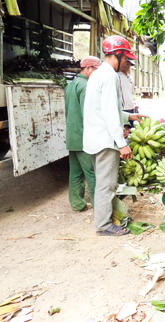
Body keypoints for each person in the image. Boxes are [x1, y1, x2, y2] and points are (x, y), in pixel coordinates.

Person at [83, 35, 148, 236]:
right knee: (106, 185)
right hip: (105, 140)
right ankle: (103, 226)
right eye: (126, 58)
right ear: (116, 55)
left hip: (95, 138)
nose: (127, 63)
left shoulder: (97, 74)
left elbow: (105, 109)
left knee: (101, 183)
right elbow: (110, 115)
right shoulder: (110, 76)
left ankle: (104, 219)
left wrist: (130, 115)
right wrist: (122, 144)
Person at [64, 56, 101, 212]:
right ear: (88, 68)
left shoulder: (70, 86)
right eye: (96, 70)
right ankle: (99, 207)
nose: (98, 74)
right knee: (92, 172)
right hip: (84, 137)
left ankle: (78, 204)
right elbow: (88, 115)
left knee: (75, 172)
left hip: (72, 137)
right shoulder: (85, 86)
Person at [118, 58, 138, 128]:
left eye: (129, 64)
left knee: (133, 129)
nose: (127, 66)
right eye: (126, 64)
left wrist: (135, 105)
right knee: (124, 130)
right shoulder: (117, 76)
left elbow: (131, 93)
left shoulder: (130, 78)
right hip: (123, 109)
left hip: (132, 108)